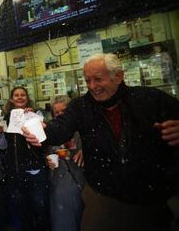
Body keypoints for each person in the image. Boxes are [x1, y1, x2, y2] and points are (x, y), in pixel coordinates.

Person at [23, 53, 179, 231]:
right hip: (102, 197)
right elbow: (60, 128)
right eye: (87, 80)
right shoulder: (81, 107)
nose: (92, 86)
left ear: (118, 76)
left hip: (148, 201)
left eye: (98, 79)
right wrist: (42, 132)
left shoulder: (150, 99)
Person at [3, 86, 50, 230]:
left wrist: (33, 119)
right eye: (16, 95)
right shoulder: (5, 117)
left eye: (22, 95)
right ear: (11, 99)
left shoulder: (36, 115)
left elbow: (44, 141)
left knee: (39, 204)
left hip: (35, 169)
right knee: (22, 207)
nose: (19, 97)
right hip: (16, 171)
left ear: (27, 98)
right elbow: (3, 145)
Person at [46, 95, 85, 231]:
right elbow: (39, 153)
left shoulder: (82, 128)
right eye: (57, 112)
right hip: (59, 186)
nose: (61, 115)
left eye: (65, 111)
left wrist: (87, 151)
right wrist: (46, 160)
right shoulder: (47, 132)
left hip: (82, 183)